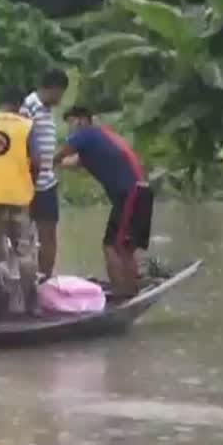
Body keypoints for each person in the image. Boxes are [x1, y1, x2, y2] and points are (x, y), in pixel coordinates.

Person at [57, 106, 153, 300]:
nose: (70, 129)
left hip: (129, 194)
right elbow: (71, 162)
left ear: (82, 120)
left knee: (111, 247)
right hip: (141, 192)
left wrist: (40, 163)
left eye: (71, 123)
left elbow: (62, 154)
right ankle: (130, 288)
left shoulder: (86, 134)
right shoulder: (99, 138)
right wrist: (53, 164)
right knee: (125, 248)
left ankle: (121, 293)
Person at [0, 88, 42, 316]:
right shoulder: (26, 125)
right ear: (19, 105)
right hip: (18, 197)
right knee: (24, 251)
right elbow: (37, 161)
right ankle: (30, 303)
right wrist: (31, 184)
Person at [20, 69, 68, 281]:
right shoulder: (29, 106)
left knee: (49, 235)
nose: (60, 99)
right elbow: (22, 140)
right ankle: (28, 281)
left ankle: (45, 280)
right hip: (28, 182)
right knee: (25, 238)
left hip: (47, 182)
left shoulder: (47, 111)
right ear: (52, 89)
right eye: (61, 93)